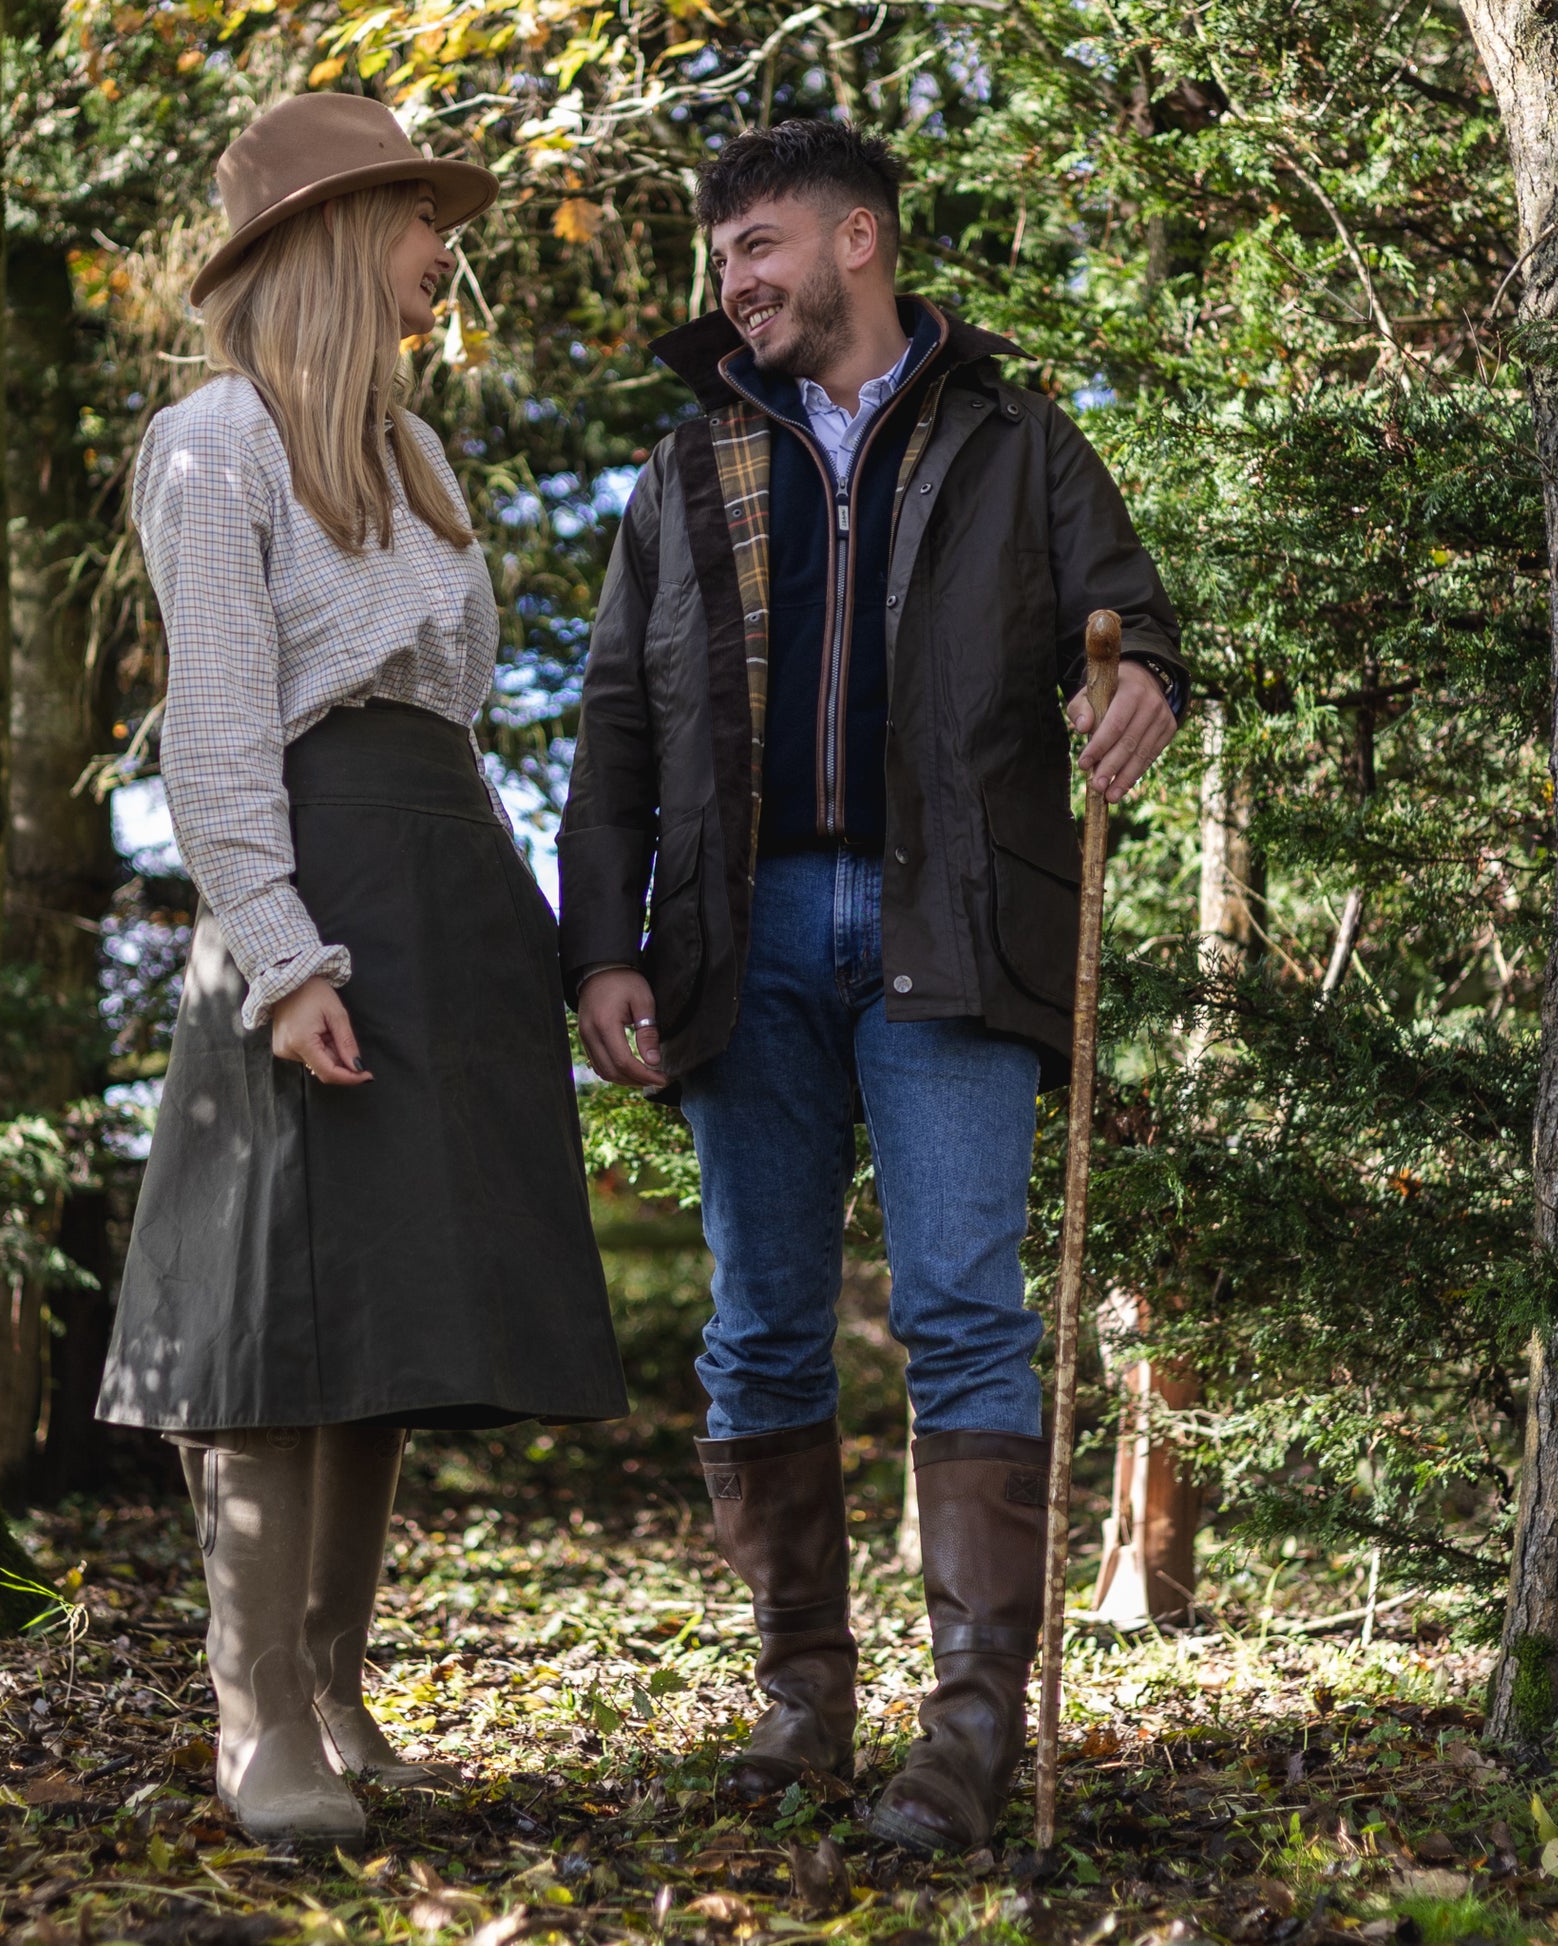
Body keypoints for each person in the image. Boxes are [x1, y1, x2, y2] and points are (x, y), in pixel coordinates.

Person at [559, 120, 1185, 1854]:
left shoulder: (1014, 440)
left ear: (857, 241)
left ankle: (972, 1724)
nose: (732, 285)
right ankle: (799, 1701)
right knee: (757, 1321)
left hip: (952, 928)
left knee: (964, 1312)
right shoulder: (684, 470)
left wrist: (1152, 692)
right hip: (735, 941)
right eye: (718, 260)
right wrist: (602, 941)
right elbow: (613, 722)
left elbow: (1133, 622)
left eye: (756, 247)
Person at [96, 92, 629, 1850]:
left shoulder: (415, 462)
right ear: (336, 237)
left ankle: (334, 1685)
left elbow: (453, 717)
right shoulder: (212, 443)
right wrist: (282, 951)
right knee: (278, 1304)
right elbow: (223, 733)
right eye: (418, 219)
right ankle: (256, 1724)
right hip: (307, 886)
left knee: (392, 1307)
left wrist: (520, 925)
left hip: (442, 876)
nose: (440, 253)